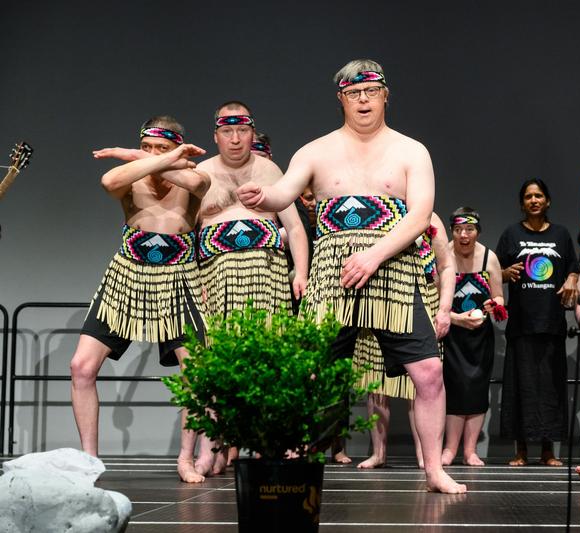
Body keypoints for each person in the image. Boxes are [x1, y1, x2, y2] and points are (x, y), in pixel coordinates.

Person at [236, 59, 466, 493]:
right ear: (341, 97)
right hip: (332, 275)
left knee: (430, 373)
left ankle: (434, 469)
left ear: (385, 95)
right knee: (306, 372)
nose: (363, 100)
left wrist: (374, 255)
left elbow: (420, 215)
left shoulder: (411, 150)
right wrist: (263, 195)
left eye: (370, 91)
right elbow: (285, 193)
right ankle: (292, 459)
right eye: (353, 93)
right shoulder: (315, 150)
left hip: (394, 271)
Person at [70, 117, 210, 482]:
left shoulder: (195, 177)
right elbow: (108, 180)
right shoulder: (129, 178)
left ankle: (185, 458)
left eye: (160, 149)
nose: (151, 156)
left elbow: (196, 180)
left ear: (179, 148)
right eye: (145, 148)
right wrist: (153, 157)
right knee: (81, 367)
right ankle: (89, 462)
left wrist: (141, 156)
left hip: (179, 279)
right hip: (128, 274)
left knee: (196, 372)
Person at [195, 102, 310, 473]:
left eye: (241, 130)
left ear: (251, 132)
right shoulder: (201, 173)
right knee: (216, 366)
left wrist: (301, 273)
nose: (234, 138)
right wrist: (195, 283)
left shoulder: (269, 169)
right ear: (216, 135)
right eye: (226, 132)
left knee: (271, 364)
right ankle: (211, 447)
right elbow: (186, 231)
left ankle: (267, 446)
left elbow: (293, 226)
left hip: (268, 277)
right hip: (217, 279)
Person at [355, 212, 455, 469]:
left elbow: (446, 266)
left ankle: (426, 457)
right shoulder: (376, 210)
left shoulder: (429, 218)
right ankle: (379, 453)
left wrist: (444, 309)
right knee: (376, 384)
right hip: (378, 302)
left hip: (421, 301)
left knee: (422, 381)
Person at [497, 178, 579, 466]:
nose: (534, 200)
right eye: (529, 196)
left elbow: (573, 268)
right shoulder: (511, 234)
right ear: (522, 203)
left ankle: (548, 451)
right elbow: (495, 274)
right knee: (522, 386)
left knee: (550, 388)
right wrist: (506, 274)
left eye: (539, 195)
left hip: (552, 322)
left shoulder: (561, 234)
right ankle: (520, 451)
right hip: (521, 322)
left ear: (547, 201)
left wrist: (571, 278)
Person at [441, 208, 504, 467]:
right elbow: (432, 302)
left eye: (469, 230)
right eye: (458, 230)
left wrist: (494, 305)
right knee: (454, 389)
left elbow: (500, 297)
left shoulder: (490, 258)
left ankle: (470, 451)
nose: (463, 235)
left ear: (478, 231)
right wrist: (457, 319)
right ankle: (449, 448)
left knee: (477, 390)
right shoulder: (442, 257)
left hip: (480, 336)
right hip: (451, 334)